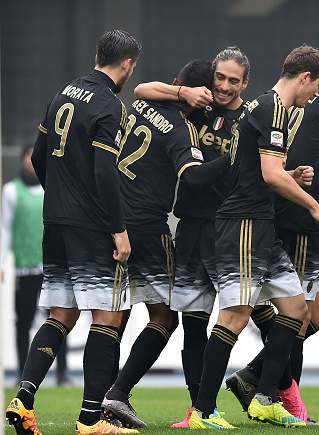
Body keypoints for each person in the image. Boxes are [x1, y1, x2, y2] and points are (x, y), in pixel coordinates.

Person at [224, 37, 319, 424]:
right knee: (301, 315)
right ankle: (274, 396)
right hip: (296, 221)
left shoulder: (302, 102)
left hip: (287, 216)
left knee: (317, 312)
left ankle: (255, 376)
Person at [5, 30, 141, 435]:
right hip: (91, 227)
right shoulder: (110, 105)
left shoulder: (63, 93)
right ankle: (89, 419)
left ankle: (23, 399)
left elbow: (39, 156)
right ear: (127, 64)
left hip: (56, 223)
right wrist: (118, 229)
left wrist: (60, 199)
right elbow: (104, 172)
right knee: (108, 317)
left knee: (61, 315)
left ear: (98, 55)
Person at [188, 44, 319, 429]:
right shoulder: (271, 109)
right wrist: (314, 207)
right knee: (235, 316)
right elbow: (269, 174)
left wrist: (290, 176)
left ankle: (266, 399)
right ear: (305, 77)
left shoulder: (264, 107)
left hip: (261, 223)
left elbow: (260, 170)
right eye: (317, 86)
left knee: (297, 309)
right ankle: (203, 411)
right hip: (244, 225)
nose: (316, 93)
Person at [99, 59, 230, 429]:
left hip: (111, 220)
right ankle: (117, 393)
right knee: (165, 317)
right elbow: (194, 178)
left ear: (176, 82)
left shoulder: (144, 102)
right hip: (146, 227)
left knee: (116, 316)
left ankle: (97, 401)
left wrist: (180, 91)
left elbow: (142, 88)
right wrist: (233, 159)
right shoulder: (181, 130)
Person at [132, 46, 254, 429]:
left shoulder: (252, 118)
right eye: (219, 78)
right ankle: (199, 409)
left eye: (233, 81)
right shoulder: (197, 108)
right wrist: (183, 91)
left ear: (245, 83)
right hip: (191, 229)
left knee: (268, 315)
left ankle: (270, 392)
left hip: (231, 229)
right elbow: (141, 90)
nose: (224, 86)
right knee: (194, 323)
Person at [1, 145, 70, 387]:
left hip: (52, 266)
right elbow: (5, 227)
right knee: (23, 322)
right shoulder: (11, 191)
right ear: (22, 160)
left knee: (59, 318)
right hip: (25, 268)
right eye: (27, 157)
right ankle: (23, 374)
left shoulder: (52, 188)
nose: (31, 161)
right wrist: (2, 262)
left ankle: (62, 373)